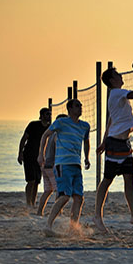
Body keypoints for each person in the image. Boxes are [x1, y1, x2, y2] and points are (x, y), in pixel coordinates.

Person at [93, 63, 133, 233]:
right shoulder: (117, 93)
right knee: (107, 181)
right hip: (115, 144)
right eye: (118, 75)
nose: (122, 76)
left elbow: (111, 120)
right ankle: (97, 216)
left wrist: (103, 141)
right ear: (112, 80)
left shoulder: (115, 97)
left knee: (129, 179)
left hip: (124, 144)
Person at [38, 99, 90, 236]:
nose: (80, 108)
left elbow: (86, 141)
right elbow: (45, 136)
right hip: (63, 164)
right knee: (64, 196)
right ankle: (48, 225)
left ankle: (73, 228)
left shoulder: (85, 126)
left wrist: (87, 158)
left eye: (81, 106)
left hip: (76, 164)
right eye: (77, 106)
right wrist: (41, 155)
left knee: (79, 197)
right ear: (70, 109)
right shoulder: (61, 122)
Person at [18, 108, 51, 207]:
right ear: (41, 116)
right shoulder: (33, 125)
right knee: (30, 180)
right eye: (47, 114)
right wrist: (20, 153)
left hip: (41, 157)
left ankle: (33, 202)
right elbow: (24, 138)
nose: (49, 116)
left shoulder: (50, 128)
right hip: (29, 155)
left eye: (50, 114)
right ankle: (28, 202)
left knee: (37, 181)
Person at [36, 114, 68, 216]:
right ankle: (58, 212)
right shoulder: (57, 135)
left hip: (45, 166)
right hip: (53, 166)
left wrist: (42, 156)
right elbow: (60, 151)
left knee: (48, 191)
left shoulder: (50, 134)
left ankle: (39, 211)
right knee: (59, 191)